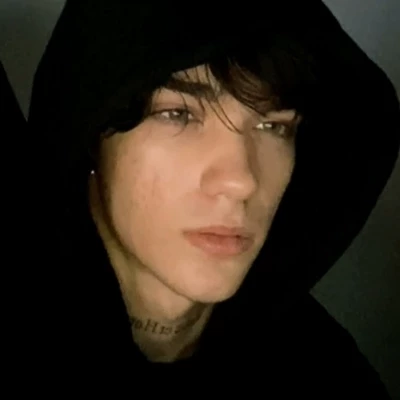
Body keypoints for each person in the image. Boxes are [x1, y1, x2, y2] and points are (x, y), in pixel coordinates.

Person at [26, 0, 399, 394]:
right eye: (177, 114)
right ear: (91, 136)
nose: (241, 181)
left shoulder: (323, 371)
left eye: (273, 126)